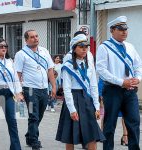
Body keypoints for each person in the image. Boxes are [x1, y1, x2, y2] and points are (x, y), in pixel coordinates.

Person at [96, 16, 142, 150]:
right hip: (112, 90)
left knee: (134, 123)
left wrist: (137, 78)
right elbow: (101, 70)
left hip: (130, 91)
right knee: (110, 125)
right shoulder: (104, 47)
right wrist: (121, 82)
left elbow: (138, 65)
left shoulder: (130, 47)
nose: (124, 32)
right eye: (120, 29)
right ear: (112, 30)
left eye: (126, 29)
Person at [56, 34, 105, 150]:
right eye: (81, 46)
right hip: (73, 99)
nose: (84, 49)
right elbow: (66, 89)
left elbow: (93, 86)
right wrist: (72, 109)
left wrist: (97, 107)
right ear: (74, 48)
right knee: (70, 136)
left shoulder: (89, 65)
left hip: (87, 99)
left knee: (93, 133)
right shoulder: (68, 66)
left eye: (86, 46)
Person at [14, 29, 56, 150]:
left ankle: (29, 134)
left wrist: (53, 86)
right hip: (30, 89)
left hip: (43, 88)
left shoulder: (44, 51)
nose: (35, 38)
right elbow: (18, 74)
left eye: (36, 36)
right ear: (26, 40)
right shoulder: (21, 54)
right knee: (34, 115)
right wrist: (18, 91)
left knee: (40, 114)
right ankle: (34, 140)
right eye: (32, 37)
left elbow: (50, 70)